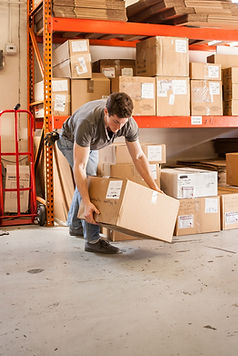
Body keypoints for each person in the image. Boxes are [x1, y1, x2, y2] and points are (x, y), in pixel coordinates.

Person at [56, 92, 161, 254]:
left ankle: (75, 226)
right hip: (70, 140)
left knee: (87, 181)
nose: (119, 128)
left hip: (93, 144)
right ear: (106, 112)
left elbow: (139, 157)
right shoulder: (87, 122)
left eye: (123, 123)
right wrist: (87, 202)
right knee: (90, 183)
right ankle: (92, 240)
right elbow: (80, 167)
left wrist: (154, 187)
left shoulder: (128, 124)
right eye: (115, 122)